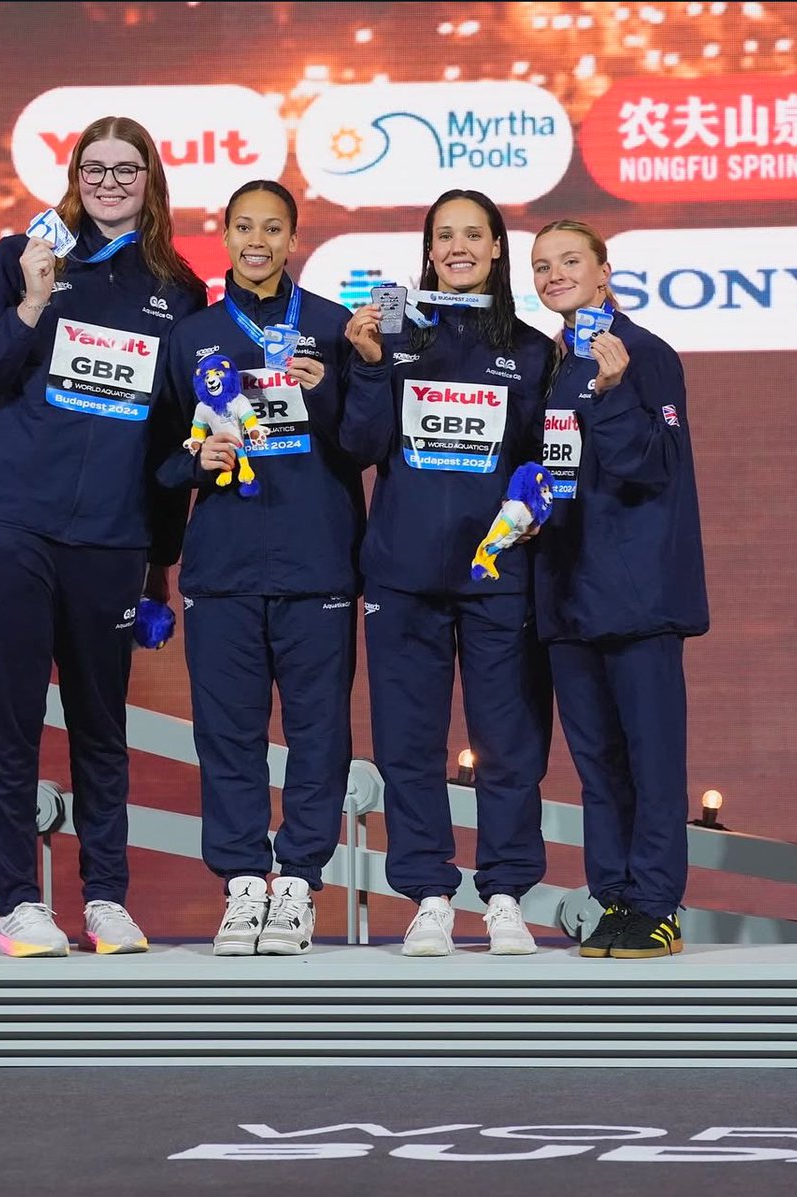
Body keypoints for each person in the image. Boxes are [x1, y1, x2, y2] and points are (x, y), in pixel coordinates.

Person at [0, 116, 207, 958]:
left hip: (110, 536)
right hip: (10, 521)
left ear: (150, 178)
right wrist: (28, 297)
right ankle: (17, 903)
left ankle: (106, 898)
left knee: (102, 725)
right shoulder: (22, 255)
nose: (107, 182)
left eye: (124, 168)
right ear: (73, 175)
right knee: (12, 717)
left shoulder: (180, 289)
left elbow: (171, 430)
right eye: (92, 169)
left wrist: (159, 565)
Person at [157, 180, 386, 956]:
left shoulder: (330, 327)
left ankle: (297, 881)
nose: (257, 240)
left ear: (294, 238)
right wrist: (195, 459)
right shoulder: (191, 336)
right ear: (223, 235)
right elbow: (154, 460)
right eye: (243, 226)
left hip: (317, 564)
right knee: (227, 735)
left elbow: (366, 446)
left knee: (319, 735)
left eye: (273, 228)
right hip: (221, 568)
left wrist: (334, 395)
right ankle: (243, 881)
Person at [342, 189, 554, 957]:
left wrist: (535, 503)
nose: (458, 247)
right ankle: (429, 893)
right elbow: (362, 446)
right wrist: (366, 366)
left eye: (473, 234)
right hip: (401, 576)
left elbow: (543, 467)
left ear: (498, 248)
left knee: (509, 743)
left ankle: (503, 894)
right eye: (444, 236)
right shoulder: (391, 337)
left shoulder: (532, 350)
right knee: (408, 744)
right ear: (427, 250)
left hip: (498, 578)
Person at [529, 219, 709, 959]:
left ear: (604, 271)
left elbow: (653, 467)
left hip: (638, 597)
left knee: (651, 761)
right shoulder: (547, 364)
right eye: (542, 266)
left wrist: (607, 393)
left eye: (571, 260)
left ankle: (657, 904)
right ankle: (613, 899)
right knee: (597, 767)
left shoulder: (646, 356)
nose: (555, 274)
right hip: (567, 596)